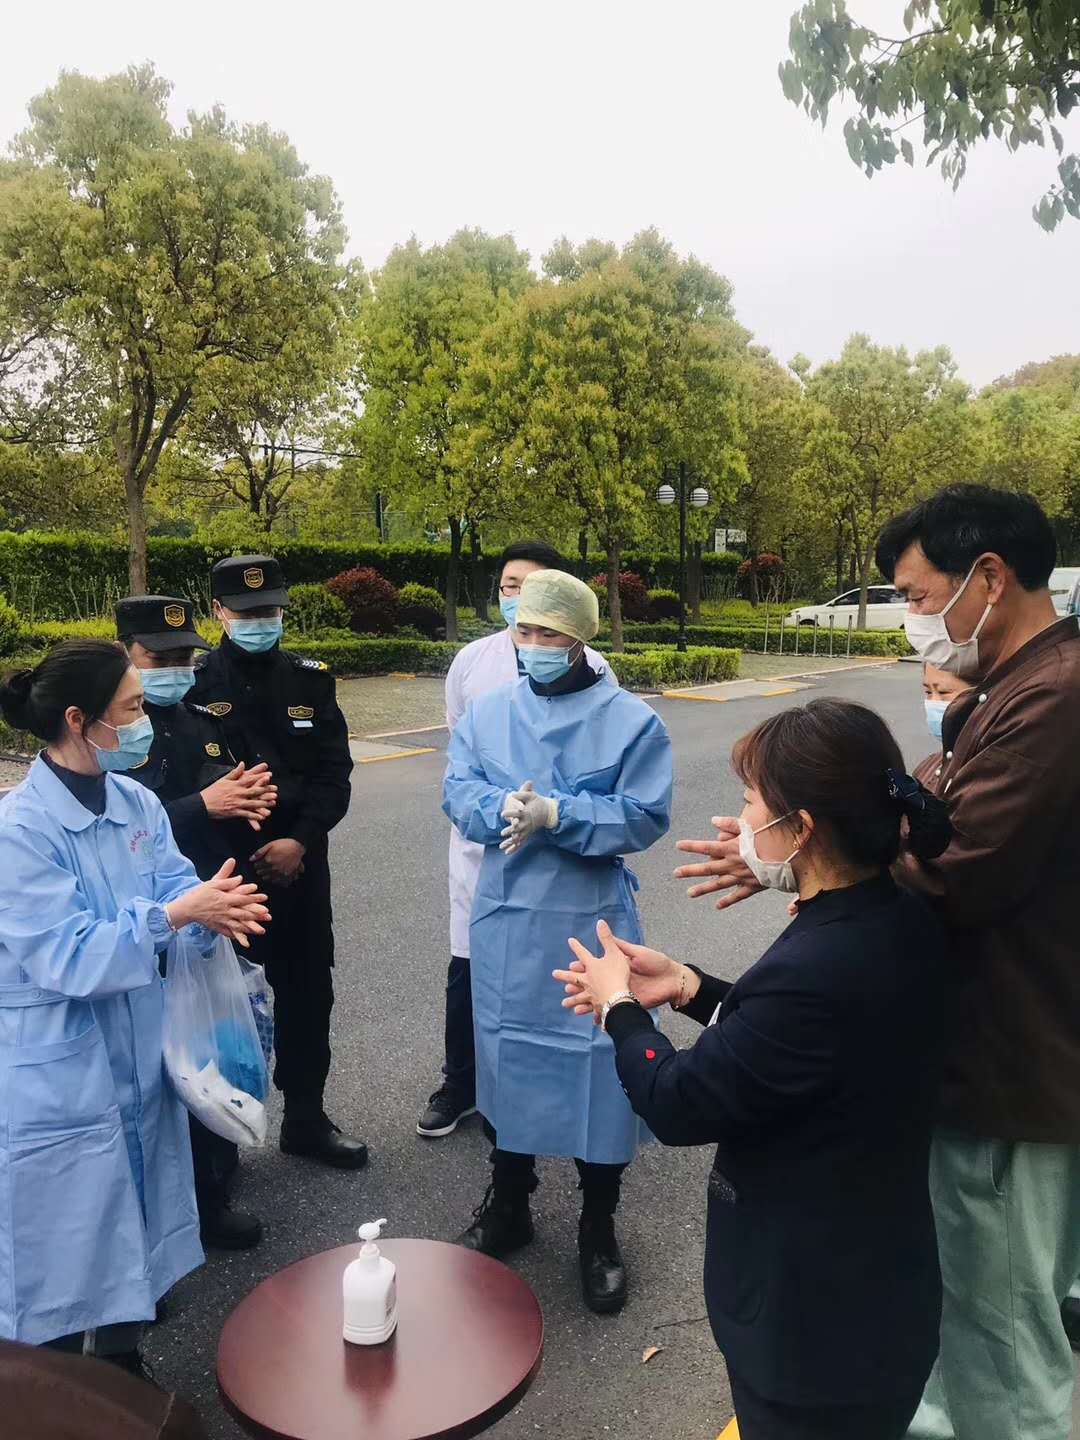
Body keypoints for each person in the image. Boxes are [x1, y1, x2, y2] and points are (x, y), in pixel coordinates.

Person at [676, 485, 1080, 1440]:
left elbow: (955, 868)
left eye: (915, 594)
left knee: (1003, 1344)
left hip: (1008, 1078)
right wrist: (802, 851)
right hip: (979, 1063)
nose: (912, 618)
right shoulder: (1011, 689)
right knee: (970, 1325)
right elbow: (926, 813)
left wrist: (808, 859)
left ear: (988, 578)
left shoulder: (1056, 699)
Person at [556, 698, 952, 1440]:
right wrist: (690, 987)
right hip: (876, 1301)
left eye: (749, 802)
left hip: (812, 1335)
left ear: (800, 829)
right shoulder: (893, 917)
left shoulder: (819, 965)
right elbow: (800, 1047)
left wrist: (618, 1008)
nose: (739, 822)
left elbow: (678, 1102)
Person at [0, 641, 270, 1371]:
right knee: (61, 1248)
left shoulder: (136, 802)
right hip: (62, 1068)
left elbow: (176, 883)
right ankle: (52, 1386)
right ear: (79, 720)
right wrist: (176, 916)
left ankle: (123, 1367)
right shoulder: (19, 830)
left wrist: (214, 912)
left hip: (138, 1045)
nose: (144, 721)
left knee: (135, 1230)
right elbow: (67, 954)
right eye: (131, 709)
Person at [442, 568, 672, 1314]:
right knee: (506, 1058)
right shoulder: (488, 714)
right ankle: (509, 1201)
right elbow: (458, 789)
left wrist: (559, 813)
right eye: (525, 630)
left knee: (601, 1066)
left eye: (550, 633)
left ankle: (597, 1224)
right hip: (508, 920)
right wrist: (500, 806)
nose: (534, 643)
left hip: (590, 918)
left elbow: (643, 814)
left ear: (580, 640)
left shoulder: (630, 721)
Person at [418, 540, 616, 1139]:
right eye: (510, 586)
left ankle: (544, 1089)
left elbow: (613, 778)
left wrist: (554, 813)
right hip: (484, 853)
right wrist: (493, 806)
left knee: (550, 977)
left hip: (560, 859)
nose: (520, 600)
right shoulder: (472, 663)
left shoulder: (596, 670)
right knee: (471, 971)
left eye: (534, 588)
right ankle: (462, 1084)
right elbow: (461, 753)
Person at [192, 555, 367, 1169]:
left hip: (298, 863)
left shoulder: (310, 680)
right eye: (247, 612)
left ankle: (306, 1118)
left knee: (307, 993)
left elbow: (333, 772)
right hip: (222, 873)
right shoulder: (194, 683)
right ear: (219, 611)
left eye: (269, 610)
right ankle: (219, 1138)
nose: (260, 621)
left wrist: (301, 840)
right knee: (222, 1003)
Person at [115, 593, 277, 1250]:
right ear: (126, 655)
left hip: (209, 914)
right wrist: (203, 804)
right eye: (159, 659)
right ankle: (159, 1209)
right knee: (152, 1074)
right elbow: (131, 826)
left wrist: (250, 802)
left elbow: (225, 798)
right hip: (148, 923)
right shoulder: (112, 736)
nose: (176, 670)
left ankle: (212, 1188)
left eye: (185, 656)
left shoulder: (200, 719)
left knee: (211, 1051)